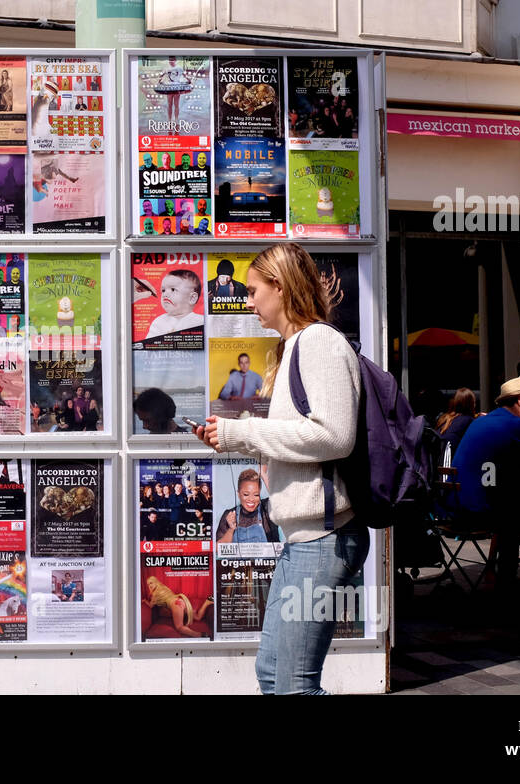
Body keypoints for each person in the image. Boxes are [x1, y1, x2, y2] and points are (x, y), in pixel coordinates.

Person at [193, 243, 366, 694]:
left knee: (293, 685)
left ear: (280, 286)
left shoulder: (320, 342)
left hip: (324, 539)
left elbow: (334, 437)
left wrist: (242, 433)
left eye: (253, 291)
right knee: (273, 675)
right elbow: (303, 438)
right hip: (303, 539)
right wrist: (236, 440)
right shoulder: (292, 348)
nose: (248, 302)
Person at [451, 376, 520, 596]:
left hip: (456, 506)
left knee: (517, 510)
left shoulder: (485, 420)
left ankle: (508, 582)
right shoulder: (519, 426)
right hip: (479, 512)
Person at [143, 575, 212, 638]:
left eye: (151, 583)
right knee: (197, 617)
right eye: (148, 584)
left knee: (179, 627)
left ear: (156, 582)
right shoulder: (164, 588)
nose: (150, 585)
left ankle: (200, 635)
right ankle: (207, 602)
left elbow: (151, 606)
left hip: (176, 604)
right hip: (181, 600)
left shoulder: (155, 594)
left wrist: (145, 601)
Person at [145, 269, 203, 339]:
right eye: (163, 290)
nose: (165, 294)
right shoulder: (159, 321)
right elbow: (148, 344)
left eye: (173, 289)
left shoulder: (200, 321)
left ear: (192, 298)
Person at [435, 387, 477, 455]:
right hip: (450, 461)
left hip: (437, 459)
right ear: (471, 404)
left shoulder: (444, 418)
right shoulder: (468, 420)